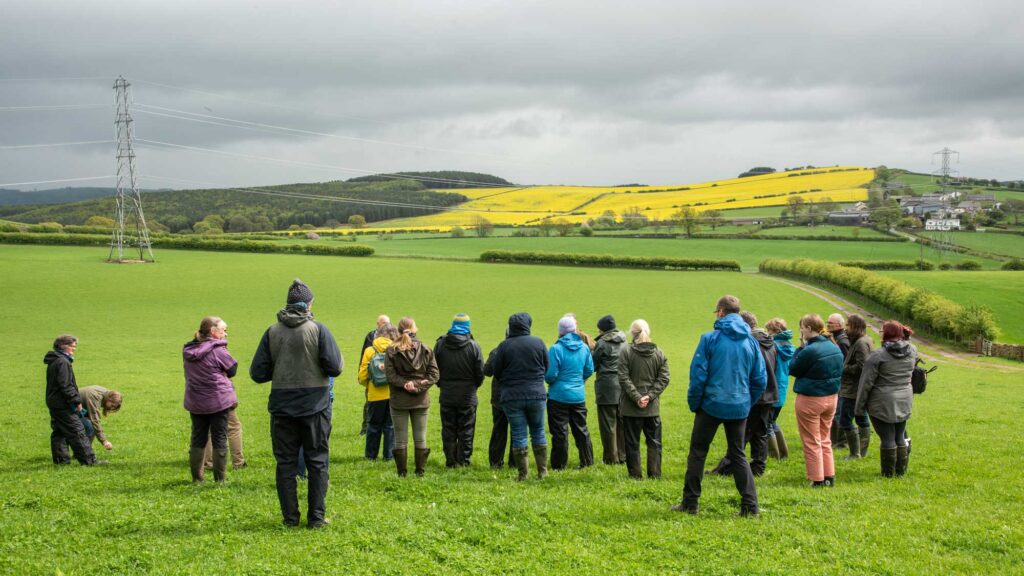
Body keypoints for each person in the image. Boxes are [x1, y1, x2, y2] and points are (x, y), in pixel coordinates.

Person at [250, 279, 342, 528]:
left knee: (286, 464)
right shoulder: (319, 329)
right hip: (316, 406)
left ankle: (290, 519)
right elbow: (335, 366)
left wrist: (282, 366)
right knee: (317, 461)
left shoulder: (271, 332)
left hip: (282, 406)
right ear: (309, 303)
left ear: (288, 304)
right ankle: (316, 518)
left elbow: (257, 373)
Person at [674, 296, 766, 516]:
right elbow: (760, 379)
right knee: (738, 454)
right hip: (739, 405)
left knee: (697, 453)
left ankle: (690, 503)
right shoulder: (752, 341)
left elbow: (698, 376)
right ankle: (750, 506)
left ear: (722, 312)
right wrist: (746, 401)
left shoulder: (709, 339)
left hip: (711, 405)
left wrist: (695, 403)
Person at [706, 311, 778, 477]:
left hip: (755, 394)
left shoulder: (750, 342)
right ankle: (758, 467)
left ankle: (725, 468)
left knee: (742, 434)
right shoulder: (769, 341)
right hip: (769, 393)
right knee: (760, 431)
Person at [490, 312, 549, 480]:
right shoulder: (538, 342)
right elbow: (547, 366)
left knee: (518, 434)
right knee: (538, 431)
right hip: (536, 393)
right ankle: (542, 471)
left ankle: (523, 474)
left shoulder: (504, 346)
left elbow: (497, 372)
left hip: (511, 396)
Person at [856, 321, 917, 477]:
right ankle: (900, 472)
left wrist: (859, 408)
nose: (880, 332)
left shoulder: (877, 356)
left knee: (887, 437)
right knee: (899, 435)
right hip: (904, 398)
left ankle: (888, 474)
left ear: (887, 334)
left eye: (882, 330)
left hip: (882, 401)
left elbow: (865, 384)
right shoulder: (912, 350)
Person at [789, 314, 844, 487]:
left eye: (802, 328)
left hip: (811, 399)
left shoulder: (810, 350)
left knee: (812, 440)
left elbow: (793, 368)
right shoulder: (834, 346)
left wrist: (799, 347)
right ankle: (829, 476)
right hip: (831, 398)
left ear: (809, 328)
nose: (801, 331)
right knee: (825, 438)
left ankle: (817, 479)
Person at [183, 316, 238, 483]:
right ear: (213, 332)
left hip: (196, 400)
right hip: (218, 401)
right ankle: (220, 479)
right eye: (223, 330)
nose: (226, 334)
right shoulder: (218, 350)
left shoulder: (188, 350)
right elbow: (233, 369)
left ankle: (197, 478)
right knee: (219, 437)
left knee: (198, 437)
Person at [386, 317, 440, 477]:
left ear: (399, 329)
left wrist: (405, 384)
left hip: (399, 400)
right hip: (420, 400)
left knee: (400, 439)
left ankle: (402, 473)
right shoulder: (426, 348)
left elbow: (390, 376)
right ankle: (420, 472)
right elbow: (435, 375)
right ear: (414, 329)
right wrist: (418, 385)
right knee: (420, 438)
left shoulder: (391, 350)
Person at [617, 319, 669, 479]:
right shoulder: (659, 353)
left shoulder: (626, 352)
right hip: (652, 409)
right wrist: (650, 396)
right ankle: (654, 474)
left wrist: (637, 397)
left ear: (633, 334)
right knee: (654, 442)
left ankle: (635, 475)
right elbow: (664, 378)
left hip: (631, 408)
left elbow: (623, 377)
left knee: (632, 443)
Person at [434, 313, 485, 467]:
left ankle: (450, 460)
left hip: (447, 394)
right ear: (467, 326)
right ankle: (463, 461)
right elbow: (480, 373)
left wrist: (441, 384)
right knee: (466, 429)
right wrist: (474, 386)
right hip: (467, 395)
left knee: (448, 429)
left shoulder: (440, 344)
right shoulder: (473, 346)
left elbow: (434, 370)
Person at [545, 315, 595, 470]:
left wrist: (552, 382)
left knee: (560, 432)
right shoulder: (584, 348)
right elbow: (589, 370)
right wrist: (579, 381)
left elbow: (550, 375)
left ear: (560, 331)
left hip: (558, 396)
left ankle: (559, 464)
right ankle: (587, 461)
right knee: (581, 429)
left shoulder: (556, 349)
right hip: (578, 396)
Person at [44, 334, 99, 466]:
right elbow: (66, 385)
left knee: (59, 431)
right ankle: (89, 461)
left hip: (54, 401)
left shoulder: (55, 360)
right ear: (63, 346)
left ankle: (61, 461)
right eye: (72, 347)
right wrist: (76, 401)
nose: (74, 350)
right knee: (77, 430)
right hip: (62, 403)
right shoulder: (62, 362)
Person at [358, 323, 398, 461]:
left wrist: (368, 385)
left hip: (375, 395)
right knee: (390, 426)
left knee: (373, 425)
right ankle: (389, 455)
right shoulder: (397, 349)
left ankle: (371, 455)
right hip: (393, 394)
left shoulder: (370, 350)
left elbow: (363, 374)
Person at [592, 314, 627, 465]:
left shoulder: (602, 343)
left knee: (608, 425)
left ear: (602, 330)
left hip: (606, 387)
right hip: (623, 386)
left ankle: (610, 458)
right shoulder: (625, 341)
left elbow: (593, 364)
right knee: (622, 423)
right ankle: (623, 455)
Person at [838, 314, 872, 459]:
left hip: (853, 389)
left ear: (856, 326)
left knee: (846, 419)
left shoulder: (861, 343)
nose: (846, 328)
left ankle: (855, 453)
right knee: (860, 417)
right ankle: (860, 452)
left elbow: (862, 366)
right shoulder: (862, 340)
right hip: (855, 388)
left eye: (849, 325)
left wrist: (844, 368)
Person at [764, 318, 795, 460]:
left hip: (771, 388)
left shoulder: (773, 346)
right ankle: (783, 453)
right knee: (773, 421)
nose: (767, 333)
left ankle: (774, 455)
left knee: (767, 423)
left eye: (769, 330)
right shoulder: (789, 345)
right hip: (782, 388)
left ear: (775, 331)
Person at [484, 343, 515, 469]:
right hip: (517, 395)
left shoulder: (497, 350)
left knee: (498, 430)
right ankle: (515, 462)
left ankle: (495, 462)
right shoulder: (526, 349)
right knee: (517, 431)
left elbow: (487, 371)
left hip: (499, 397)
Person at [359, 315, 391, 435]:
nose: (384, 325)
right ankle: (365, 428)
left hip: (386, 381)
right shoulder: (370, 336)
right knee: (369, 404)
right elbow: (364, 356)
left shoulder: (394, 337)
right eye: (382, 323)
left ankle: (379, 430)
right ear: (377, 324)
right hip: (373, 377)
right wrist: (362, 377)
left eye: (386, 323)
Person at [827, 313, 852, 449]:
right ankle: (834, 440)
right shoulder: (837, 338)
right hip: (838, 380)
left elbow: (843, 362)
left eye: (831, 323)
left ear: (840, 325)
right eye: (828, 322)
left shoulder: (842, 341)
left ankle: (840, 442)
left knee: (838, 412)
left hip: (842, 381)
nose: (828, 325)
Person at [78, 386, 122, 451]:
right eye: (112, 405)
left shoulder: (105, 393)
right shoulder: (95, 397)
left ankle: (82, 452)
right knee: (91, 427)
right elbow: (95, 420)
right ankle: (83, 453)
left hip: (74, 409)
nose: (111, 408)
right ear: (109, 399)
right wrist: (104, 441)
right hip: (66, 410)